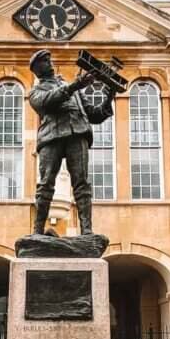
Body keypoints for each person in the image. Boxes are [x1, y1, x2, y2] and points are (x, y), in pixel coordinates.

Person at [27, 49, 115, 236]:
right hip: (52, 137)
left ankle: (87, 231)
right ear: (37, 69)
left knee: (82, 184)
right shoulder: (36, 90)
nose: (50, 63)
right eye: (45, 61)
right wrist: (75, 85)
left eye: (50, 60)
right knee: (46, 184)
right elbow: (47, 102)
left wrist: (109, 97)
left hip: (78, 134)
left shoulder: (70, 87)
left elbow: (94, 115)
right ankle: (37, 230)